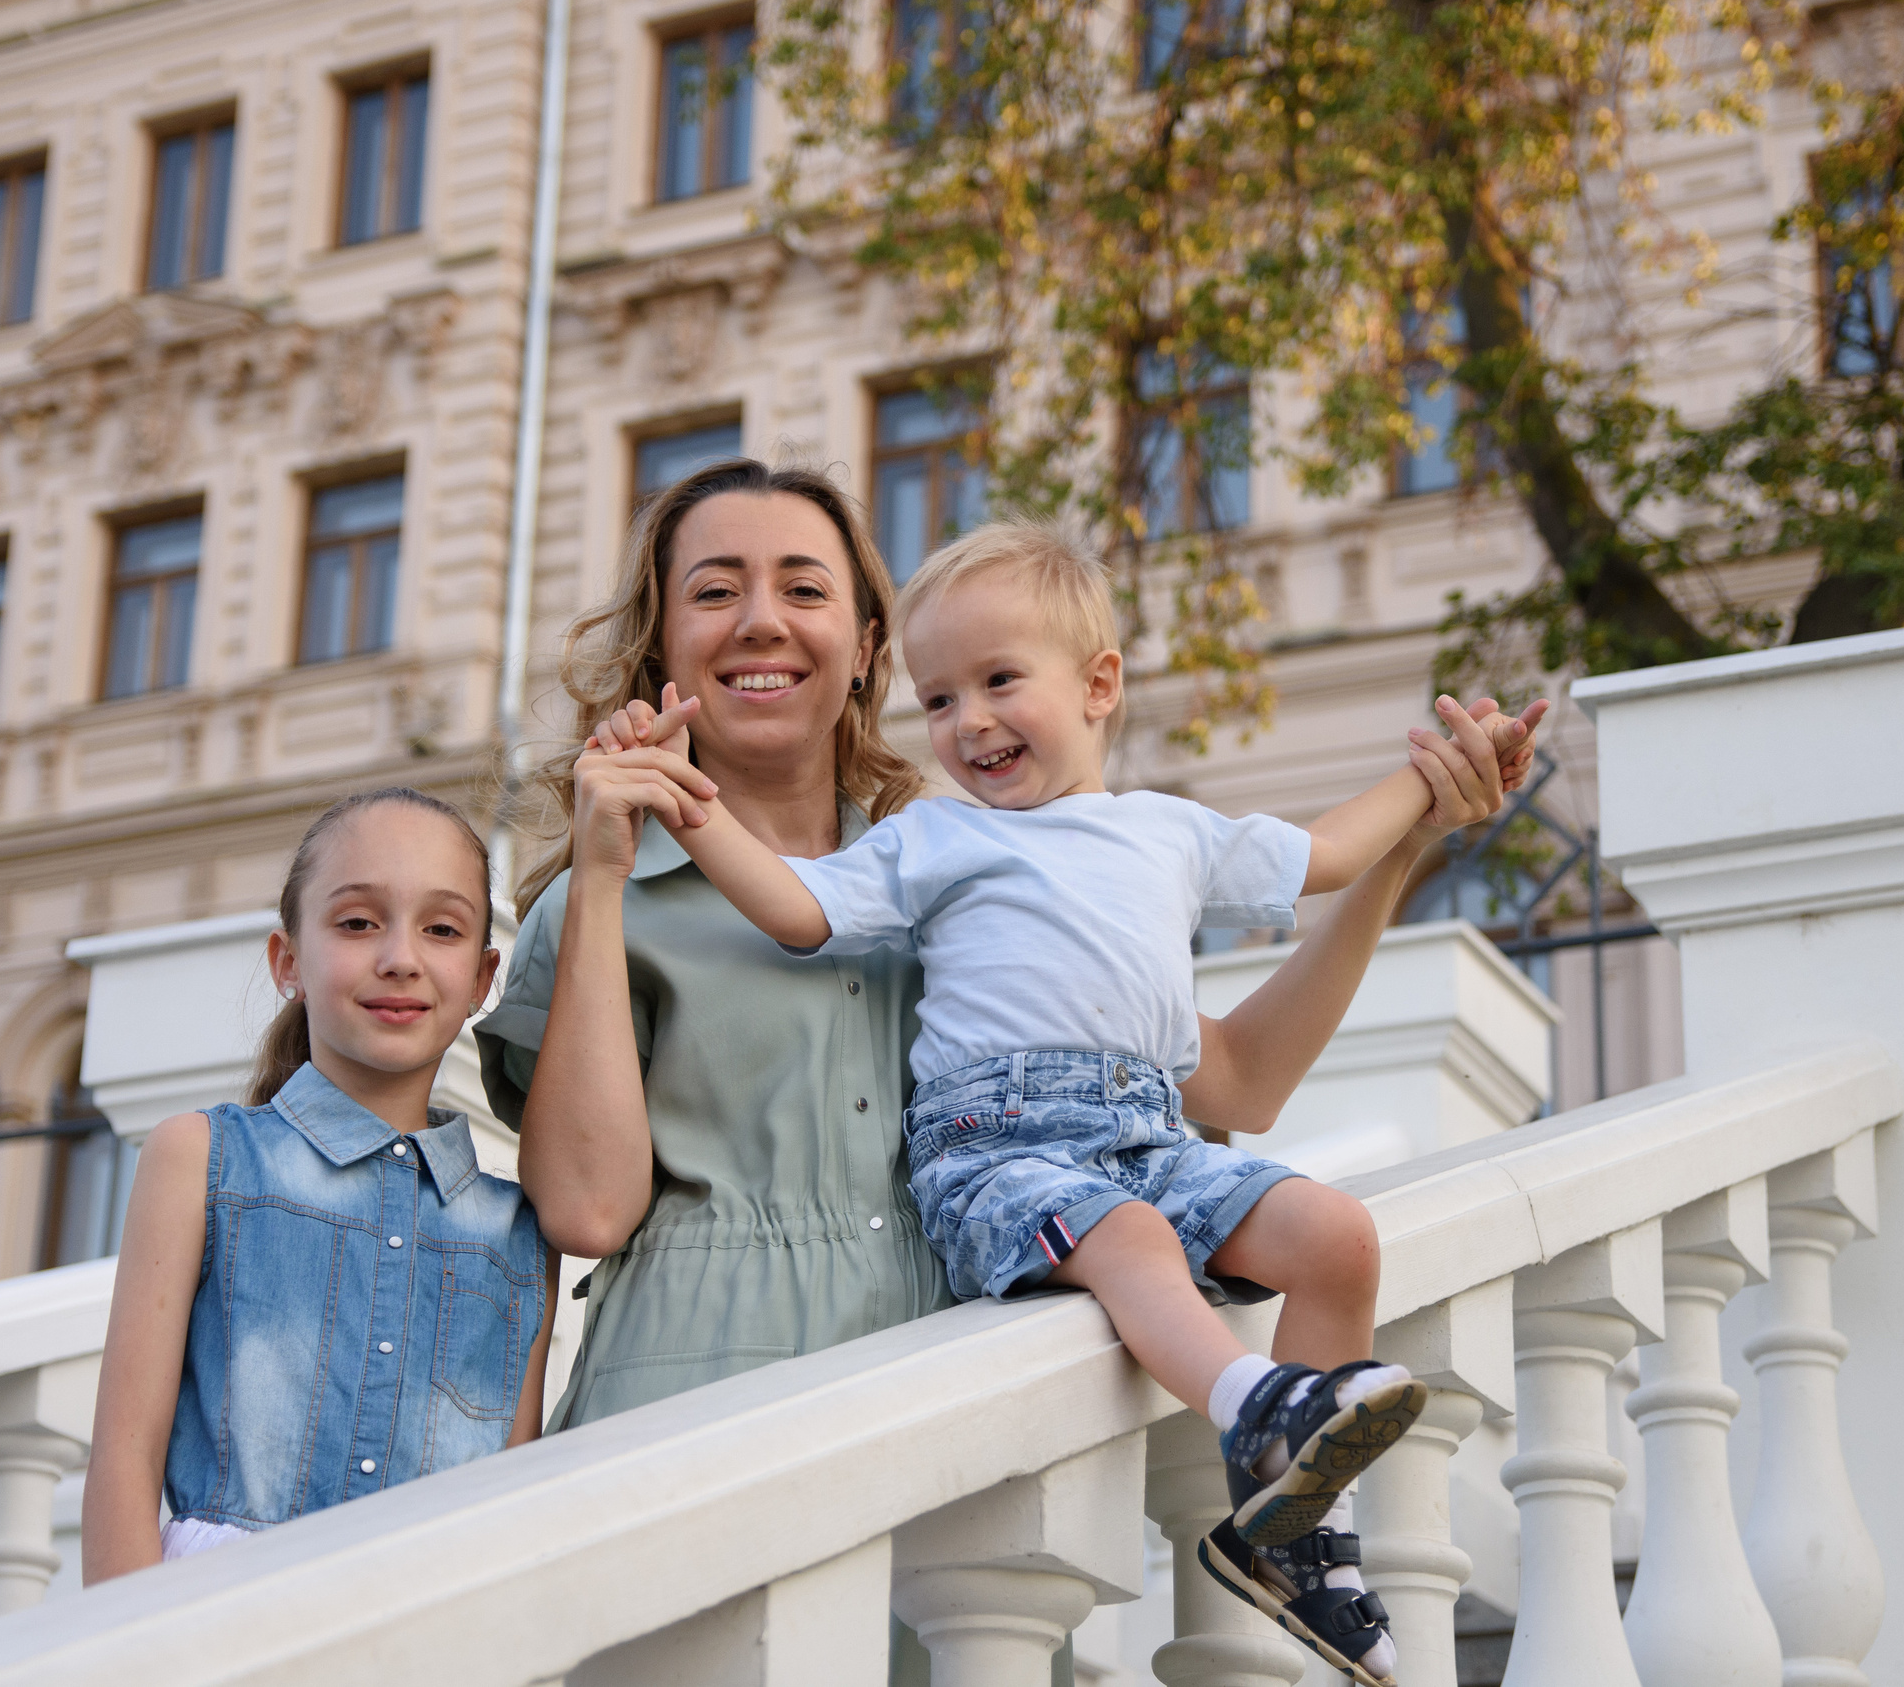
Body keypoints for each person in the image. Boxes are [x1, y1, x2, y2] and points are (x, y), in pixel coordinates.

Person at [585, 517, 1543, 1686]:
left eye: (998, 682)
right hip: (999, 1147)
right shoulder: (934, 838)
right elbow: (797, 911)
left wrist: (1438, 780)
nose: (968, 722)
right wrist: (689, 802)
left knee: (1338, 1237)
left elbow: (1331, 856)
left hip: (1145, 1130)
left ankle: (1300, 1535)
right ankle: (1254, 1406)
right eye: (937, 701)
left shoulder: (1167, 834)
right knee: (1131, 1240)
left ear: (1098, 686)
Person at [82, 787, 556, 1582]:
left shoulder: (517, 1230)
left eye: (440, 928)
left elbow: (504, 1510)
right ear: (288, 960)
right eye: (358, 922)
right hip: (212, 1628)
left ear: (481, 980)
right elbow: (123, 1469)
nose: (400, 956)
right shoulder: (200, 1158)